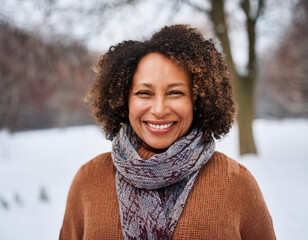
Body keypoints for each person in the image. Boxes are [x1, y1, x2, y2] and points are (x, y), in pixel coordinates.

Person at [60, 25, 276, 240]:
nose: (159, 109)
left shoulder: (237, 182)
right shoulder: (88, 180)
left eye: (175, 93)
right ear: (124, 100)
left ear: (197, 99)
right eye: (144, 93)